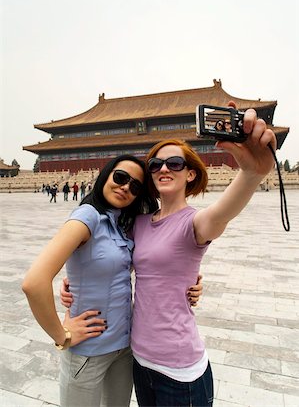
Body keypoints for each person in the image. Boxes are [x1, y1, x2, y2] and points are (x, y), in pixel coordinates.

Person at [22, 155, 201, 407]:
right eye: (120, 177)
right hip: (88, 352)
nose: (126, 186)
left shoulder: (122, 223)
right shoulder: (88, 216)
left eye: (136, 186)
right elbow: (34, 281)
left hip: (124, 349)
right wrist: (60, 334)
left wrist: (190, 283)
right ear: (105, 175)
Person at [129, 106, 276, 407]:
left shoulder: (194, 223)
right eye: (156, 164)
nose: (164, 169)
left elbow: (222, 214)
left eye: (174, 163)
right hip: (140, 361)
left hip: (180, 371)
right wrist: (76, 286)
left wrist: (251, 174)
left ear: (191, 173)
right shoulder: (140, 223)